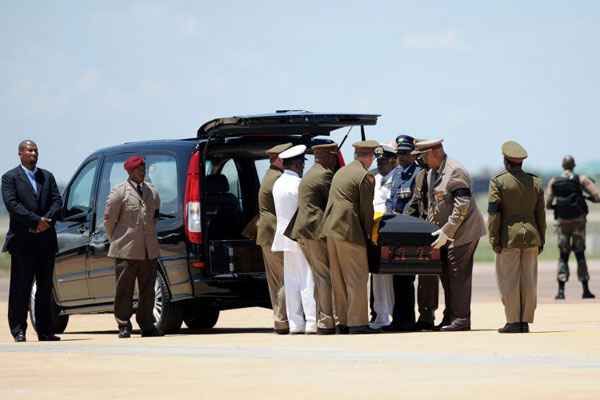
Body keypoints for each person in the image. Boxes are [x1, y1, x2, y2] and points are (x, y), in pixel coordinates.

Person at [418, 139, 486, 332]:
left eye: (423, 156)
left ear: (433, 153)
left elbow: (462, 206)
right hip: (447, 233)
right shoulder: (433, 172)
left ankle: (462, 319)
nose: (421, 161)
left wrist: (447, 231)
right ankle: (450, 316)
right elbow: (435, 205)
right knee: (446, 274)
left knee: (457, 273)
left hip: (464, 231)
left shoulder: (455, 171)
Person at [2, 140, 63, 342]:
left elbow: (57, 201)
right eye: (29, 150)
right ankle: (18, 329)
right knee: (21, 288)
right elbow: (12, 204)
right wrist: (36, 221)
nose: (34, 153)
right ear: (20, 153)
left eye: (36, 150)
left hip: (46, 241)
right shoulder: (10, 178)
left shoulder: (47, 176)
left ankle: (45, 330)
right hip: (23, 243)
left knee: (45, 289)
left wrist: (46, 221)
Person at [321, 139, 380, 334]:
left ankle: (343, 322)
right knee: (356, 277)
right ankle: (358, 323)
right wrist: (368, 235)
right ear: (370, 157)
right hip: (349, 230)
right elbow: (366, 211)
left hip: (331, 229)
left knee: (338, 278)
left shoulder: (341, 171)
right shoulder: (365, 176)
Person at [488, 141, 546, 333]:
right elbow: (541, 216)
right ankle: (524, 322)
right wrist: (542, 239)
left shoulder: (498, 182)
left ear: (506, 161)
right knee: (529, 280)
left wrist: (494, 239)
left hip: (508, 238)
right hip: (532, 237)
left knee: (509, 279)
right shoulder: (535, 182)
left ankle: (513, 321)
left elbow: (494, 215)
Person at [104, 155, 162, 338]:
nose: (142, 172)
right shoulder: (120, 192)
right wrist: (117, 238)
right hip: (126, 250)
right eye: (139, 169)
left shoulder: (152, 191)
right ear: (130, 171)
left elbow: (155, 217)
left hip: (148, 250)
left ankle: (146, 324)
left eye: (144, 168)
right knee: (124, 290)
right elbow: (109, 219)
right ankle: (123, 324)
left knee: (148, 290)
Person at [287, 143, 338, 335]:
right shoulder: (324, 175)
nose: (334, 161)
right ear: (326, 157)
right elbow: (331, 202)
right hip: (314, 232)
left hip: (304, 231)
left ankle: (320, 318)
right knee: (324, 275)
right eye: (333, 156)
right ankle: (326, 320)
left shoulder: (310, 173)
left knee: (318, 275)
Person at [272, 145, 317, 334]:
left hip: (283, 237)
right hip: (298, 236)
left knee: (291, 281)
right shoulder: (298, 184)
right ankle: (311, 321)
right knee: (307, 278)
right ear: (297, 163)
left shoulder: (278, 183)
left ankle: (295, 323)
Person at [546, 155, 600, 300]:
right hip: (578, 222)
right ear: (574, 165)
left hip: (562, 223)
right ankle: (585, 290)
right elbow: (597, 196)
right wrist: (584, 197)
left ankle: (561, 291)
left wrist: (559, 205)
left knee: (563, 256)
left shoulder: (554, 181)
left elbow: (547, 203)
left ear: (562, 166)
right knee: (580, 254)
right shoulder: (581, 179)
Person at [256, 142, 292, 334]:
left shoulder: (269, 176)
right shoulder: (278, 179)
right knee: (284, 278)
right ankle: (282, 319)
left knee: (276, 280)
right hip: (274, 233)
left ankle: (280, 318)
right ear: (278, 158)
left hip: (268, 233)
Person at [403, 142, 439, 331]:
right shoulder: (421, 175)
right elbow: (415, 202)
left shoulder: (442, 173)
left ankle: (450, 316)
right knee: (426, 275)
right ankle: (426, 316)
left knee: (444, 278)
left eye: (420, 156)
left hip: (443, 230)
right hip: (426, 231)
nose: (417, 159)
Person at [369, 143, 398, 330]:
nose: (380, 164)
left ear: (393, 160)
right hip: (374, 231)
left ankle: (390, 315)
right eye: (378, 160)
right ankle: (380, 315)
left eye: (384, 160)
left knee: (389, 276)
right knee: (377, 275)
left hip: (389, 229)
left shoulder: (397, 177)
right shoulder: (374, 177)